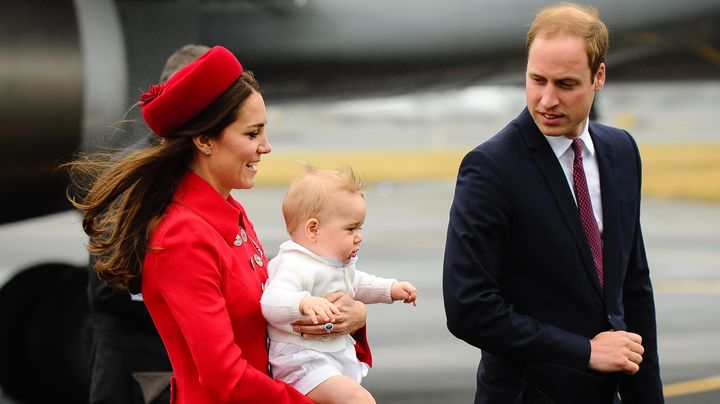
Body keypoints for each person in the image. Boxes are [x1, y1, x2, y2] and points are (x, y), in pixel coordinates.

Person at [66, 45, 368, 403]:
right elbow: (225, 379)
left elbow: (269, 320)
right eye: (252, 134)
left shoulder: (230, 215)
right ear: (205, 140)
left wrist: (348, 316)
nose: (266, 147)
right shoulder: (183, 237)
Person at [442, 4, 664, 403]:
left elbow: (633, 291)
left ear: (598, 78)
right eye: (536, 80)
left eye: (565, 84)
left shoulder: (622, 151)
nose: (546, 100)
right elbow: (468, 308)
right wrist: (585, 352)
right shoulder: (490, 167)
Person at [86, 43, 209, 404]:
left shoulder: (194, 168)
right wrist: (201, 298)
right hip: (141, 375)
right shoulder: (138, 174)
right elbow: (106, 287)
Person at [261, 166, 418, 404]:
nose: (359, 236)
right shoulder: (294, 263)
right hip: (301, 361)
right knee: (357, 398)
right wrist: (303, 302)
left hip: (329, 355)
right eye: (351, 228)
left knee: (361, 397)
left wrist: (391, 289)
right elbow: (271, 301)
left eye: (360, 228)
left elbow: (358, 282)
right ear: (313, 229)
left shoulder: (334, 264)